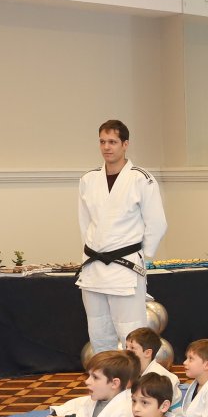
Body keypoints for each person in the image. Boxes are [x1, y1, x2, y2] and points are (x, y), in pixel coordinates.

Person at [76, 120, 167, 354]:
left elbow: (157, 223)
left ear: (125, 144)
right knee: (98, 332)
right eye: (102, 142)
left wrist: (143, 255)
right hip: (94, 266)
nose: (107, 147)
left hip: (125, 267)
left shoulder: (141, 179)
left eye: (113, 142)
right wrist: (93, 247)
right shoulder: (88, 179)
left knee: (132, 332)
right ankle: (107, 377)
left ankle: (138, 377)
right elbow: (85, 222)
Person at [123, 327, 179, 391]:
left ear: (148, 353)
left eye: (132, 348)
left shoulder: (162, 378)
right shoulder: (128, 372)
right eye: (126, 347)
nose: (127, 351)